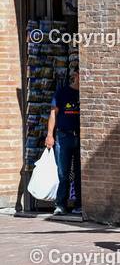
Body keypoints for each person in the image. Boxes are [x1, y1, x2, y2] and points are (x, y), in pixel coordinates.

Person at [45, 67, 81, 215]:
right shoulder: (62, 92)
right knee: (63, 172)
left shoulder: (87, 93)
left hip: (80, 137)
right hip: (64, 136)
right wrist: (50, 135)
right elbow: (54, 113)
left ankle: (79, 205)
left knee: (80, 172)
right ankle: (60, 204)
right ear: (75, 75)